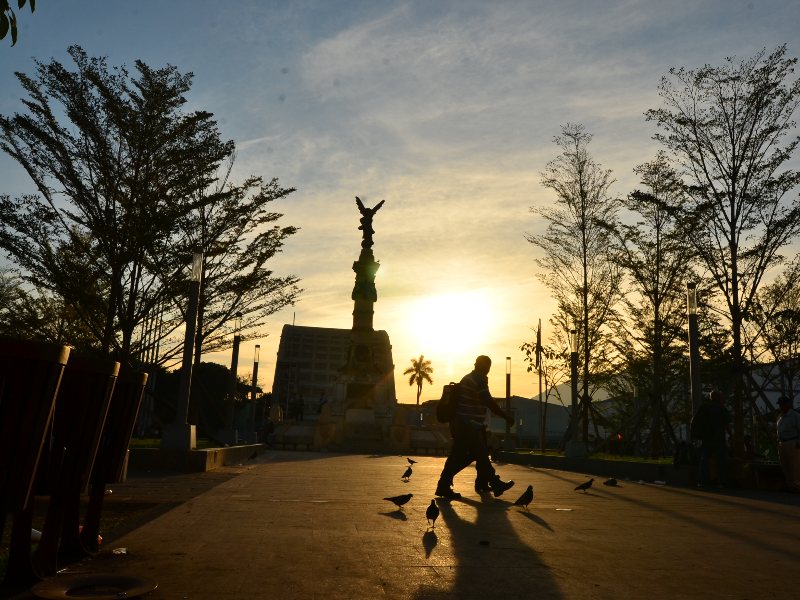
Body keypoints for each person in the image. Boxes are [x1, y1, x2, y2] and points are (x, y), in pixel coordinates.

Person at [435, 355, 515, 499]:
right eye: (486, 366)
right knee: (477, 454)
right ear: (484, 366)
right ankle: (492, 484)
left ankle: (481, 483)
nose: (487, 370)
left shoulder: (469, 378)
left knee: (472, 454)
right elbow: (488, 401)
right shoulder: (479, 378)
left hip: (465, 424)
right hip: (467, 425)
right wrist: (506, 416)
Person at [691, 389, 732, 488]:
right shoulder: (721, 409)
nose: (723, 398)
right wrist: (731, 435)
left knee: (704, 460)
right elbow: (726, 424)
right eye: (721, 396)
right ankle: (722, 482)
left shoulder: (704, 407)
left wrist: (696, 435)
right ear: (717, 397)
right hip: (718, 439)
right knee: (721, 461)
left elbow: (695, 421)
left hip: (706, 438)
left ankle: (701, 482)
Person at [776, 396, 800, 492]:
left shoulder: (795, 416)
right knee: (785, 465)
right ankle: (790, 485)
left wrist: (799, 442)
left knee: (794, 466)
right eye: (780, 404)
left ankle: (797, 485)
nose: (781, 406)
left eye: (783, 404)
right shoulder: (780, 417)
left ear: (788, 405)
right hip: (782, 442)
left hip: (792, 442)